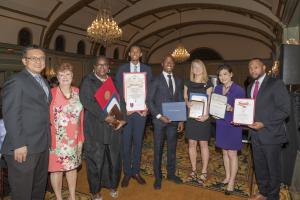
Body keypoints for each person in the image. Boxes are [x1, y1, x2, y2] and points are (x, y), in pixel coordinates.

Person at [1, 45, 51, 200]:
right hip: (23, 147)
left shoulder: (43, 81)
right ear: (24, 61)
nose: (38, 61)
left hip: (41, 144)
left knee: (38, 188)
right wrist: (18, 144)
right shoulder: (17, 81)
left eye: (41, 58)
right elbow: (11, 114)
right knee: (22, 192)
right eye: (33, 58)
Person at [80, 56, 126, 200]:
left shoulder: (114, 82)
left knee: (114, 160)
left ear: (108, 67)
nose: (102, 68)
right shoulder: (88, 81)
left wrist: (123, 119)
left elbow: (121, 101)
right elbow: (87, 102)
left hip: (113, 129)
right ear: (94, 67)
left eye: (104, 65)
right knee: (95, 161)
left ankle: (113, 185)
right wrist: (104, 116)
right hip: (95, 128)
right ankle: (95, 191)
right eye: (99, 65)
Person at [247, 58, 290, 200]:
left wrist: (264, 123)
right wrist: (244, 120)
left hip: (271, 134)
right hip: (254, 134)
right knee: (259, 168)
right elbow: (250, 109)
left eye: (256, 67)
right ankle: (263, 192)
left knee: (273, 169)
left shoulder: (276, 84)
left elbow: (285, 110)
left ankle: (273, 196)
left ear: (264, 68)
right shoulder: (250, 86)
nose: (253, 70)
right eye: (250, 68)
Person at [115, 45, 153, 187]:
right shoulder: (122, 69)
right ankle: (127, 173)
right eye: (133, 51)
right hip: (127, 113)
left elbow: (150, 92)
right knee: (126, 143)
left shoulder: (147, 70)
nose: (135, 53)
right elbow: (118, 91)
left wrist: (147, 107)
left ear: (141, 54)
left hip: (141, 113)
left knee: (138, 143)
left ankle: (136, 172)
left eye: (137, 51)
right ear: (129, 54)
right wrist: (124, 109)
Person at [48, 63, 84, 200]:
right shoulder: (51, 93)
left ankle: (72, 196)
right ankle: (58, 197)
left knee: (72, 168)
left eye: (67, 74)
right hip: (56, 140)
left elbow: (82, 118)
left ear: (72, 76)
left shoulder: (77, 92)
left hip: (74, 139)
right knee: (56, 170)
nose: (65, 77)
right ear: (57, 77)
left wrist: (81, 138)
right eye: (61, 75)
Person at [148, 54, 184, 190]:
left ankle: (171, 174)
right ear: (162, 64)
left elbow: (180, 100)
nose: (169, 63)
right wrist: (159, 116)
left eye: (172, 62)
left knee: (172, 150)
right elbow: (149, 101)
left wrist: (181, 119)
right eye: (167, 61)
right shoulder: (155, 81)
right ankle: (158, 177)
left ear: (174, 65)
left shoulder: (178, 80)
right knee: (158, 150)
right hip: (159, 123)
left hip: (174, 122)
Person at [214, 64, 245, 195]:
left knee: (232, 154)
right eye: (220, 75)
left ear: (231, 74)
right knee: (224, 153)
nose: (222, 77)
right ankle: (227, 177)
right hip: (220, 123)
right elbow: (214, 105)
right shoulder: (217, 88)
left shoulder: (239, 89)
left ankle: (232, 181)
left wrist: (232, 109)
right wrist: (213, 112)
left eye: (225, 74)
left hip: (233, 124)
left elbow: (244, 109)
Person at [184, 59, 213, 184]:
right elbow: (185, 97)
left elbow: (210, 102)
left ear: (203, 68)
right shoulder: (187, 83)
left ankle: (204, 171)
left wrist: (207, 115)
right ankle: (194, 170)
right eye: (194, 67)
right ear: (192, 69)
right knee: (191, 144)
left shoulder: (208, 84)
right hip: (191, 118)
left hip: (203, 118)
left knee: (203, 145)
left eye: (199, 67)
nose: (196, 69)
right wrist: (187, 102)